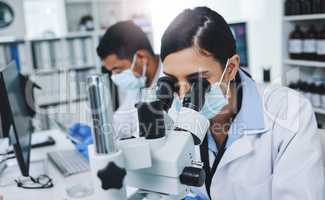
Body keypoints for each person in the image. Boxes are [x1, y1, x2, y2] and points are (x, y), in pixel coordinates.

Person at [160, 7, 325, 200]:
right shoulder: (174, 116)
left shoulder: (289, 111)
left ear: (230, 68)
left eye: (196, 81)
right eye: (172, 82)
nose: (182, 96)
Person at [97, 20, 162, 138]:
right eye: (112, 71)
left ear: (141, 57)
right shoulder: (139, 83)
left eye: (118, 70)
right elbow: (120, 122)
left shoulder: (172, 78)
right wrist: (99, 134)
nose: (114, 76)